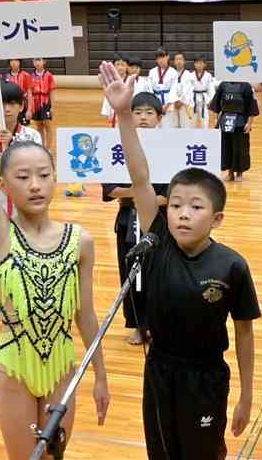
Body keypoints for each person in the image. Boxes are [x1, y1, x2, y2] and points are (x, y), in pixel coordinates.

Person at [0, 19, 110, 459]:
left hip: (63, 364)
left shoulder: (81, 240)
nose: (35, 184)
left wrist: (101, 375)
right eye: (22, 176)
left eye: (43, 174)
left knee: (55, 456)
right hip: (15, 365)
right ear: (4, 186)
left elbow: (87, 316)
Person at [99, 60, 260, 460]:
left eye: (195, 206)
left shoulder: (232, 266)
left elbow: (243, 333)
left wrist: (246, 396)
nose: (183, 213)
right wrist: (123, 114)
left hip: (206, 376)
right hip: (159, 371)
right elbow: (138, 175)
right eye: (175, 205)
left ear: (217, 217)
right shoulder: (159, 246)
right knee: (161, 452)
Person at [101, 91, 167, 346]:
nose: (143, 118)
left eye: (149, 113)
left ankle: (160, 325)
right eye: (137, 112)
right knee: (132, 274)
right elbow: (110, 190)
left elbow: (172, 193)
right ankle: (138, 325)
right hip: (129, 222)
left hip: (160, 222)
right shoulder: (116, 146)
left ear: (160, 118)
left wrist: (141, 196)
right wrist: (142, 193)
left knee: (159, 273)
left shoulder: (171, 146)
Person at [0, 82, 43, 218]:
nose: (7, 109)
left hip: (26, 204)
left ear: (21, 106)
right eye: (2, 104)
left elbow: (37, 167)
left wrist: (12, 144)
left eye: (12, 104)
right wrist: (1, 162)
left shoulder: (32, 135)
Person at [209, 81, 258, 182]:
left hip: (240, 121)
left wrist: (249, 123)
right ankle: (230, 172)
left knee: (240, 147)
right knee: (226, 147)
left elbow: (251, 106)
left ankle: (239, 172)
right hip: (225, 120)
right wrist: (216, 120)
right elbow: (216, 105)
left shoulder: (246, 86)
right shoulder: (223, 85)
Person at [30, 57, 57, 150]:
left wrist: (52, 107)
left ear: (44, 62)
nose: (37, 63)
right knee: (39, 125)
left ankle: (48, 148)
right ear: (33, 62)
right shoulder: (31, 76)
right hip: (35, 103)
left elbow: (52, 92)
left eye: (39, 60)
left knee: (47, 125)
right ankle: (42, 147)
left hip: (45, 103)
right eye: (35, 60)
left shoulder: (49, 75)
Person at [148, 48, 178, 120]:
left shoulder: (173, 72)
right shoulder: (152, 71)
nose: (160, 60)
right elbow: (149, 88)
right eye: (158, 58)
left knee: (168, 126)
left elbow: (174, 89)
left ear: (168, 57)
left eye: (163, 57)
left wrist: (167, 105)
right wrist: (155, 103)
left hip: (168, 103)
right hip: (155, 103)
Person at [164, 51, 192, 129]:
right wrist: (175, 100)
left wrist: (181, 101)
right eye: (177, 59)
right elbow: (170, 88)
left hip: (184, 104)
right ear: (174, 62)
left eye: (180, 59)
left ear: (184, 61)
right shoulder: (171, 73)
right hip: (173, 103)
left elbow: (188, 90)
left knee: (185, 125)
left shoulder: (188, 74)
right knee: (173, 125)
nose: (179, 61)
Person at [187, 56, 216, 129]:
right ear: (194, 64)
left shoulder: (208, 75)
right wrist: (189, 100)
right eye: (197, 63)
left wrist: (210, 100)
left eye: (200, 63)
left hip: (204, 99)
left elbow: (211, 88)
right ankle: (192, 137)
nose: (199, 65)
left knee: (205, 120)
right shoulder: (191, 75)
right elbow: (188, 89)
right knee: (192, 121)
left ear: (204, 64)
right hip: (194, 99)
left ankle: (205, 135)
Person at [100, 53, 129, 127]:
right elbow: (107, 98)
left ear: (127, 66)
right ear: (113, 66)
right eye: (118, 64)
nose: (120, 67)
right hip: (114, 113)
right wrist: (107, 113)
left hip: (127, 113)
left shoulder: (131, 80)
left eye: (123, 65)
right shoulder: (110, 80)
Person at [4, 58, 32, 127]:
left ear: (20, 62)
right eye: (11, 60)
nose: (13, 62)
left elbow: (29, 94)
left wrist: (29, 110)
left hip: (22, 107)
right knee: (10, 126)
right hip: (10, 107)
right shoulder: (5, 76)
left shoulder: (26, 75)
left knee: (24, 127)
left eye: (16, 60)